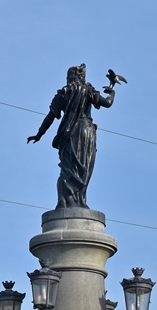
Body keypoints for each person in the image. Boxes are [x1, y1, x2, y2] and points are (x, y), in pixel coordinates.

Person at [27, 64, 115, 209]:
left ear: (69, 77)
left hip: (67, 135)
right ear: (82, 77)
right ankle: (80, 201)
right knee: (83, 168)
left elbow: (50, 117)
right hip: (86, 132)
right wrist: (112, 92)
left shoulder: (64, 93)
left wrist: (39, 134)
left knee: (67, 169)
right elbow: (107, 103)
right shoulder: (88, 90)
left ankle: (63, 201)